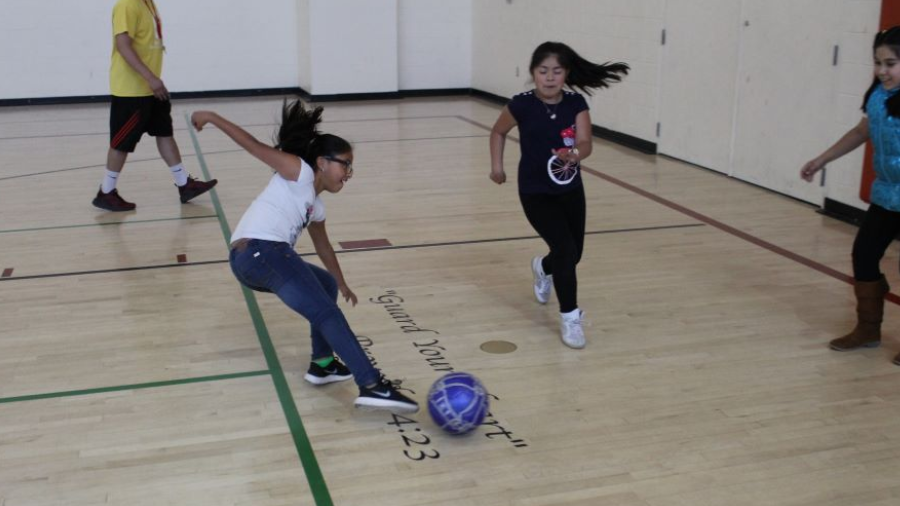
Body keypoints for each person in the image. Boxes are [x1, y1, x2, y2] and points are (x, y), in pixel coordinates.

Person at [190, 101, 419, 413]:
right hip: (262, 250)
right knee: (327, 314)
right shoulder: (299, 172)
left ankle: (322, 364)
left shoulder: (316, 206)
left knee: (324, 285)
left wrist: (341, 282)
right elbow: (254, 146)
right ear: (322, 162)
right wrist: (212, 117)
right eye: (345, 164)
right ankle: (372, 385)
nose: (349, 173)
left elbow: (324, 247)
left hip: (254, 259)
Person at [489, 41, 628, 349]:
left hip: (570, 190)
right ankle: (570, 317)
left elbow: (586, 142)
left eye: (557, 71)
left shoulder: (576, 104)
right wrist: (497, 167)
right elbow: (498, 132)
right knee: (565, 250)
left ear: (566, 74)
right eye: (543, 71)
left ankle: (543, 268)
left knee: (573, 255)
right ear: (533, 73)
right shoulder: (521, 104)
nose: (550, 77)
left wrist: (574, 153)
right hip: (535, 192)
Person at [800, 27, 900, 366]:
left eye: (891, 63)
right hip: (887, 194)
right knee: (864, 255)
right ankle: (868, 329)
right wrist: (822, 159)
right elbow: (862, 131)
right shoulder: (877, 96)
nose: (882, 71)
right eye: (878, 63)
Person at [93, 0, 216, 212]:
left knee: (164, 132)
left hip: (151, 87)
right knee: (121, 143)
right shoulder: (127, 5)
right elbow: (123, 45)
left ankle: (184, 185)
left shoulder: (147, 3)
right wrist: (150, 78)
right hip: (132, 90)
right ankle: (106, 192)